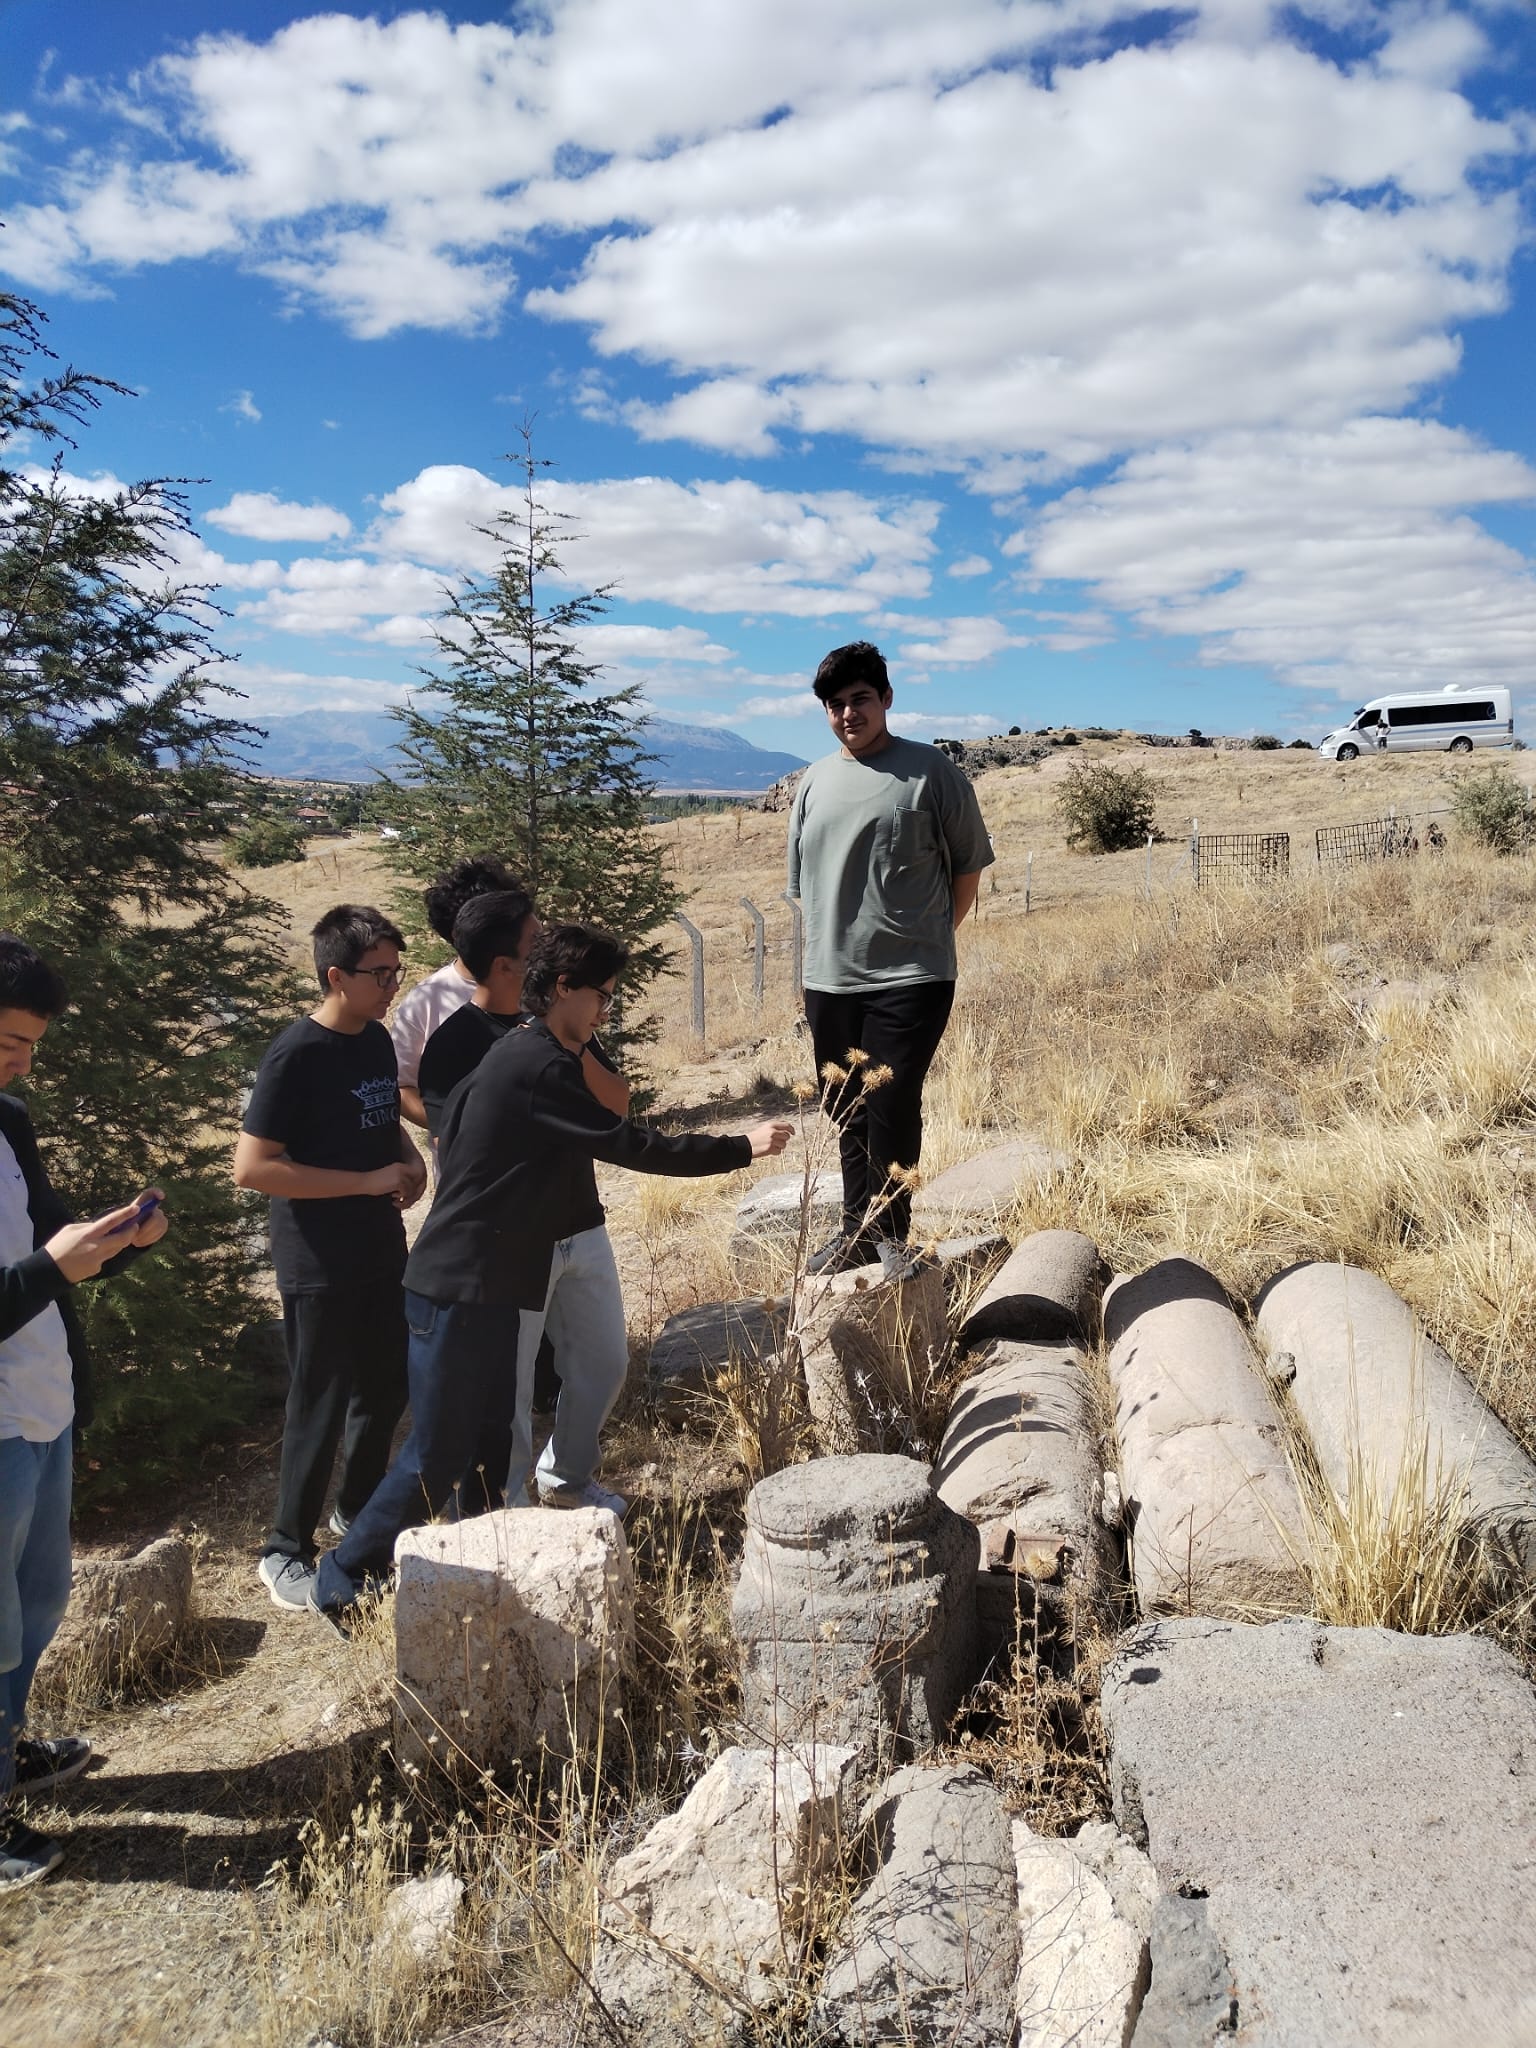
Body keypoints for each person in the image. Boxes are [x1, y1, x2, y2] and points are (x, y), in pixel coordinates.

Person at [314, 924, 792, 1618]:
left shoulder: (528, 1052)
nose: (605, 1008)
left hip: (490, 1281)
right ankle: (343, 1573)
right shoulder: (535, 1066)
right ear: (563, 988)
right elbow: (630, 1143)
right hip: (459, 1286)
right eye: (600, 994)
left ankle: (488, 1567)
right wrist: (739, 1147)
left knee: (483, 1443)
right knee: (438, 1452)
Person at [0, 935, 169, 1891]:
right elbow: (33, 1269)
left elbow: (39, 1256)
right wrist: (51, 1266)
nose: (24, 1062)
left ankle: (6, 1751)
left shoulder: (9, 1121)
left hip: (41, 1401)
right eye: (8, 1042)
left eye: (30, 1043)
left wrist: (119, 1244)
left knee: (35, 1604)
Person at [234, 905, 428, 1612]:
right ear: (335, 975)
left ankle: (356, 1510)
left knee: (385, 1387)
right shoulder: (295, 1055)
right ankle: (285, 1549)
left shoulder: (375, 1041)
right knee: (317, 1404)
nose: (391, 988)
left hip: (379, 1247)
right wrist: (365, 1183)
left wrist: (409, 1162)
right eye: (379, 975)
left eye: (396, 973)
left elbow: (383, 1128)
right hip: (317, 1260)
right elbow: (253, 1167)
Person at [786, 641, 993, 1277]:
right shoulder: (813, 781)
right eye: (835, 704)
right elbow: (804, 886)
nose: (849, 713)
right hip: (829, 979)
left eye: (860, 699)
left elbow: (967, 870)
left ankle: (889, 1240)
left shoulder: (931, 772)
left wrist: (929, 938)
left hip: (912, 977)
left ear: (886, 700)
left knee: (890, 1100)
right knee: (843, 1106)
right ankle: (855, 1230)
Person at [392, 855, 519, 1131]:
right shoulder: (424, 1002)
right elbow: (402, 1087)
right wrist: (454, 1130)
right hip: (464, 1171)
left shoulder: (546, 990)